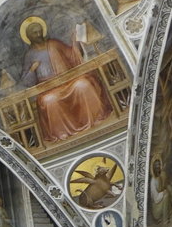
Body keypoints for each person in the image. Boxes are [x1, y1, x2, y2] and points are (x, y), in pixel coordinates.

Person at [16, 16, 111, 145]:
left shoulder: (54, 43)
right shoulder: (30, 55)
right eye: (34, 33)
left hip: (69, 80)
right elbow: (26, 82)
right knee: (49, 101)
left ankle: (95, 119)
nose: (38, 34)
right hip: (48, 88)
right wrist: (32, 70)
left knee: (83, 85)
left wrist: (75, 41)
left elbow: (72, 56)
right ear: (28, 37)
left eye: (40, 31)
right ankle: (62, 133)